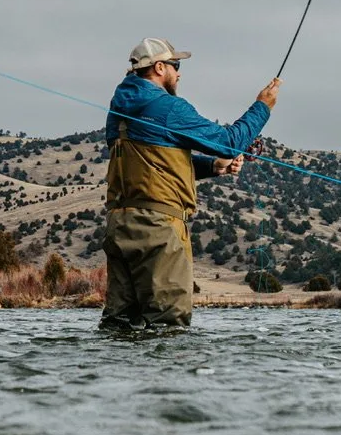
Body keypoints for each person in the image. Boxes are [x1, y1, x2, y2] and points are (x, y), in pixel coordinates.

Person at [98, 38, 280, 334]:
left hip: (119, 226)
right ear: (159, 68)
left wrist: (212, 166)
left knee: (118, 325)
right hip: (158, 231)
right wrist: (263, 107)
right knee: (168, 327)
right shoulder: (168, 107)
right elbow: (228, 142)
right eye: (176, 66)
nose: (179, 73)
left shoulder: (117, 112)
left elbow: (153, 163)